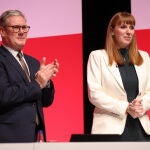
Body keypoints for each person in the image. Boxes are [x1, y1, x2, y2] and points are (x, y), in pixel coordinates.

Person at [87, 11, 150, 141]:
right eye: (123, 27)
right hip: (110, 129)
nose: (129, 32)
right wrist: (125, 107)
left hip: (140, 127)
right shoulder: (97, 56)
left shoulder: (144, 56)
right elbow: (94, 94)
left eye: (131, 27)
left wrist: (141, 106)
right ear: (112, 31)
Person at [0, 10, 59, 143]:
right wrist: (37, 83)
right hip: (8, 137)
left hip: (35, 137)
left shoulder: (33, 62)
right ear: (2, 31)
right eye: (15, 27)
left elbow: (46, 101)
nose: (21, 32)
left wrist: (46, 81)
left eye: (24, 27)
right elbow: (4, 95)